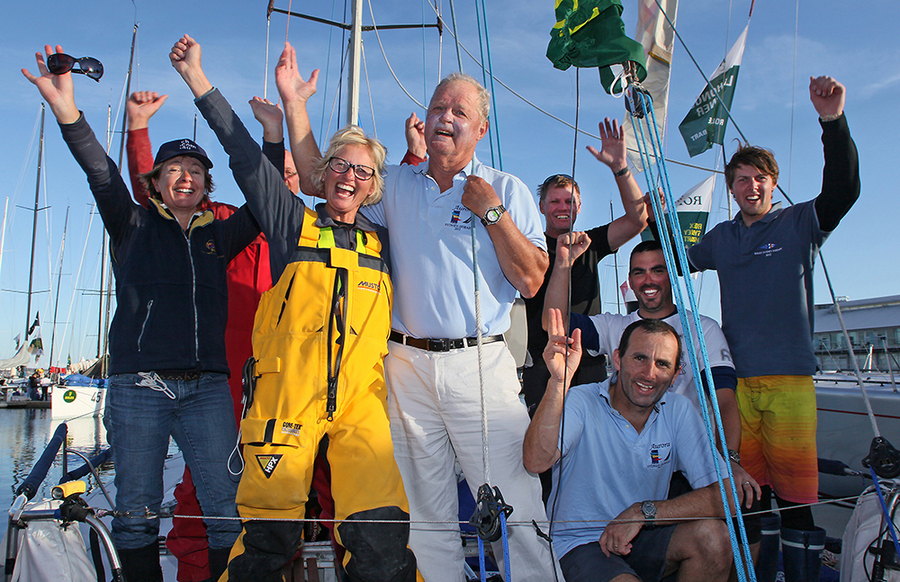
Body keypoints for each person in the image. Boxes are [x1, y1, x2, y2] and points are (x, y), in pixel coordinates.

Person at [278, 41, 561, 582]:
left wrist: (492, 212)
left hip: (480, 366)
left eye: (459, 112)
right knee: (425, 519)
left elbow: (530, 279)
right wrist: (295, 102)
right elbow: (323, 177)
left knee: (513, 509)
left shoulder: (506, 188)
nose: (445, 119)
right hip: (405, 367)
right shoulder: (396, 185)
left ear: (480, 129)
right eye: (437, 108)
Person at [170, 35, 417, 582]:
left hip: (360, 410)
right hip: (284, 408)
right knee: (267, 541)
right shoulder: (291, 224)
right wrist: (198, 81)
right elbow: (241, 156)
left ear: (374, 187)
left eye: (363, 172)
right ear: (322, 174)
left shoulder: (388, 244)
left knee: (381, 539)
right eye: (340, 166)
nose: (350, 177)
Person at [23, 44, 259, 582]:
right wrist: (67, 111)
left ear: (206, 186)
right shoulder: (131, 226)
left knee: (226, 510)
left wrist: (271, 132)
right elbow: (99, 170)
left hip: (206, 392)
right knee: (134, 512)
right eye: (173, 169)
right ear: (155, 183)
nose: (185, 177)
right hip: (138, 389)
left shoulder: (222, 237)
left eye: (195, 170)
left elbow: (264, 190)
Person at [686, 75, 859, 582]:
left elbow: (845, 188)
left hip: (788, 383)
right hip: (737, 386)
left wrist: (833, 121)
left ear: (773, 182)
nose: (751, 186)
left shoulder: (800, 223)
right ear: (732, 188)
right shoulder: (720, 238)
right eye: (741, 179)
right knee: (750, 495)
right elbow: (668, 252)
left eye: (760, 177)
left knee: (797, 499)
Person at [524, 314, 733, 582]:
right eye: (640, 358)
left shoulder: (679, 411)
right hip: (579, 544)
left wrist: (642, 513)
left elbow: (725, 495)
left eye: (662, 364)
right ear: (618, 359)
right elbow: (535, 461)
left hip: (642, 535)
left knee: (716, 539)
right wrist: (558, 383)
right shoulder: (581, 400)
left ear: (676, 374)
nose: (649, 374)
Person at [522, 119, 650, 420]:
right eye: (554, 201)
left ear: (580, 206)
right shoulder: (528, 249)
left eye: (570, 200)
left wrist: (620, 167)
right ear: (541, 207)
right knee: (545, 455)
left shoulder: (590, 243)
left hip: (590, 362)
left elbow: (637, 220)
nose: (562, 206)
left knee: (594, 446)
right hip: (543, 363)